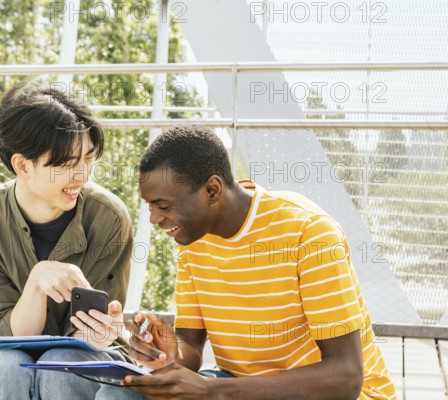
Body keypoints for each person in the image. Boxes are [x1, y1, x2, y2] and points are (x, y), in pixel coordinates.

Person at [118, 125, 396, 399]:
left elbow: (345, 378)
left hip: (331, 394)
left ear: (212, 191)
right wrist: (168, 353)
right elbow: (190, 345)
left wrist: (212, 391)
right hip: (239, 386)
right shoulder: (194, 239)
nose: (154, 219)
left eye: (163, 206)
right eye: (150, 206)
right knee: (119, 396)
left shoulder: (310, 233)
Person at [0, 82, 133, 400]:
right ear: (22, 165)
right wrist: (36, 281)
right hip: (10, 356)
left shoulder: (108, 218)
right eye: (66, 164)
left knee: (62, 362)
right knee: (5, 367)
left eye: (88, 159)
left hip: (89, 356)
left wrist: (100, 329)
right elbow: (7, 336)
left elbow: (95, 334)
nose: (82, 175)